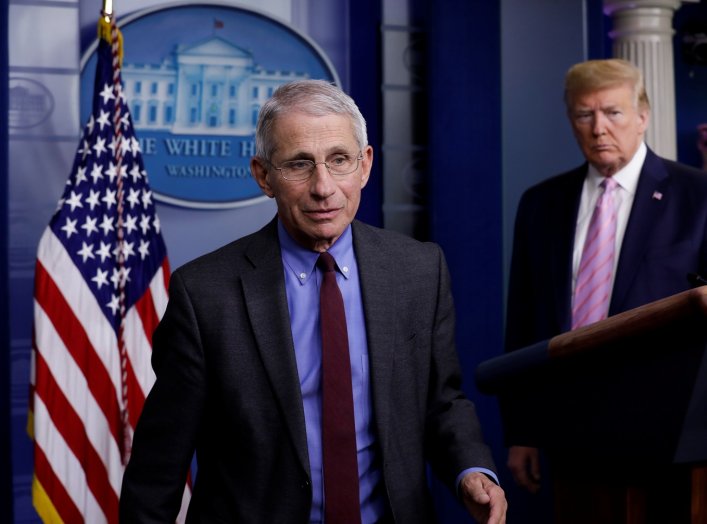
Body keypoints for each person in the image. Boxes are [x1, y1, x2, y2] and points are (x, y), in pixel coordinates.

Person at [120, 79, 507, 523]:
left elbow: (442, 401)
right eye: (299, 164)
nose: (324, 187)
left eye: (339, 160)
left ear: (365, 165)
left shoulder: (419, 270)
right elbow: (158, 468)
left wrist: (470, 470)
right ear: (263, 176)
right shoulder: (206, 293)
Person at [504, 58, 707, 515]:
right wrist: (522, 431)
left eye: (612, 113)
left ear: (642, 116)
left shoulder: (698, 196)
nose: (598, 128)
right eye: (584, 114)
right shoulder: (540, 204)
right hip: (572, 433)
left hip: (672, 438)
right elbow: (523, 323)